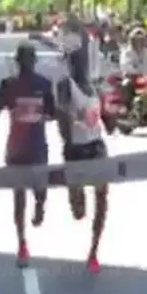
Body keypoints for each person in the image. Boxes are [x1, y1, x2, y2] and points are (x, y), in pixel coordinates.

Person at [0, 42, 56, 268]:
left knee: (18, 200)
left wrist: (12, 107)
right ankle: (39, 206)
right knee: (38, 187)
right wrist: (36, 112)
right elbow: (53, 114)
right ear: (34, 61)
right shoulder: (44, 84)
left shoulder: (8, 85)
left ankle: (22, 245)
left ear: (17, 62)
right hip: (36, 146)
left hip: (16, 148)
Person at [55, 46, 117, 274]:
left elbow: (108, 122)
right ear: (71, 64)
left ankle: (93, 251)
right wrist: (68, 144)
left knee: (102, 199)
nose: (81, 66)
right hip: (76, 151)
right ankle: (76, 200)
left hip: (97, 148)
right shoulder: (65, 86)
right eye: (77, 62)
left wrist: (112, 117)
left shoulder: (96, 88)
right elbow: (61, 116)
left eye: (84, 61)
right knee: (78, 211)